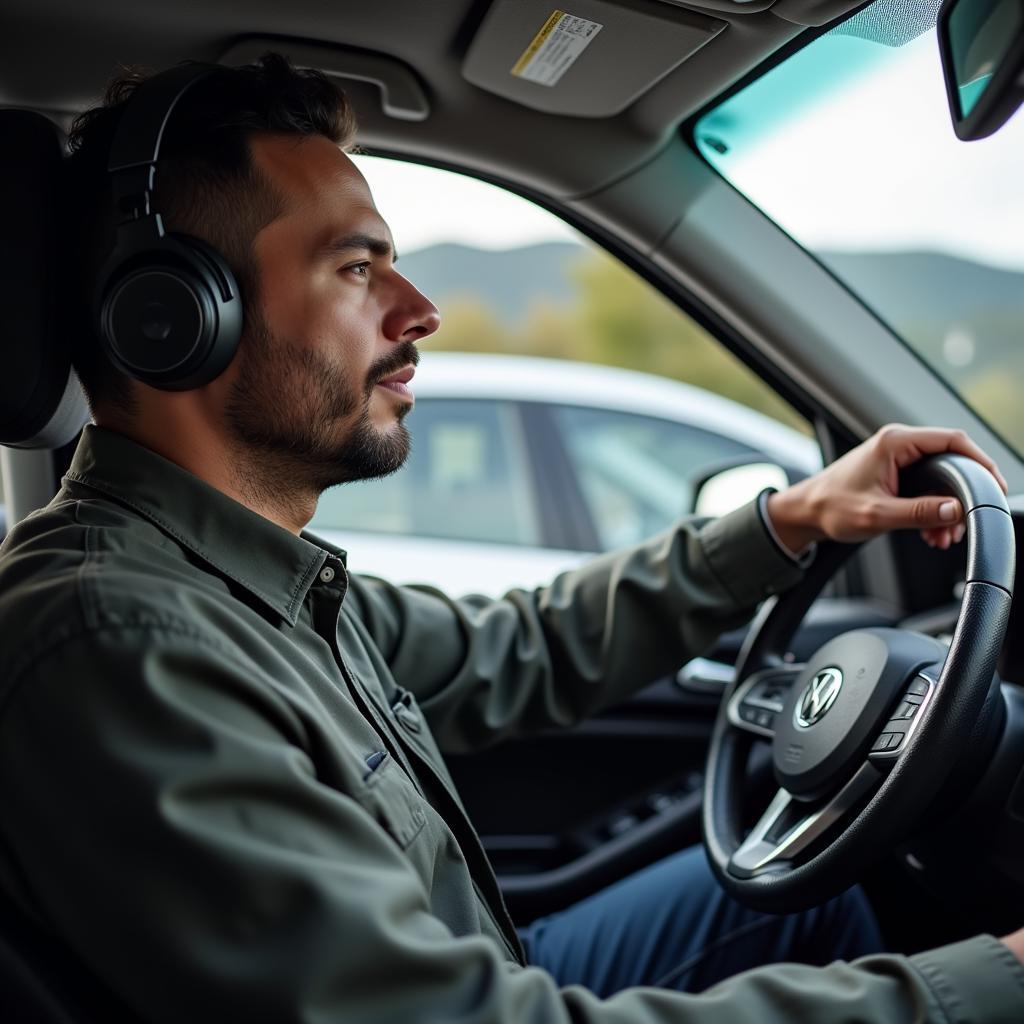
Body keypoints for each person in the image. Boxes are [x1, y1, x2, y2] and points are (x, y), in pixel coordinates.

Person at [0, 53, 1021, 1024]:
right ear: (174, 316)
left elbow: (521, 647)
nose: (421, 311)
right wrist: (985, 985)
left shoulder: (243, 582)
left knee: (827, 888)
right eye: (358, 269)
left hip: (492, 968)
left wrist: (786, 520)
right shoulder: (117, 642)